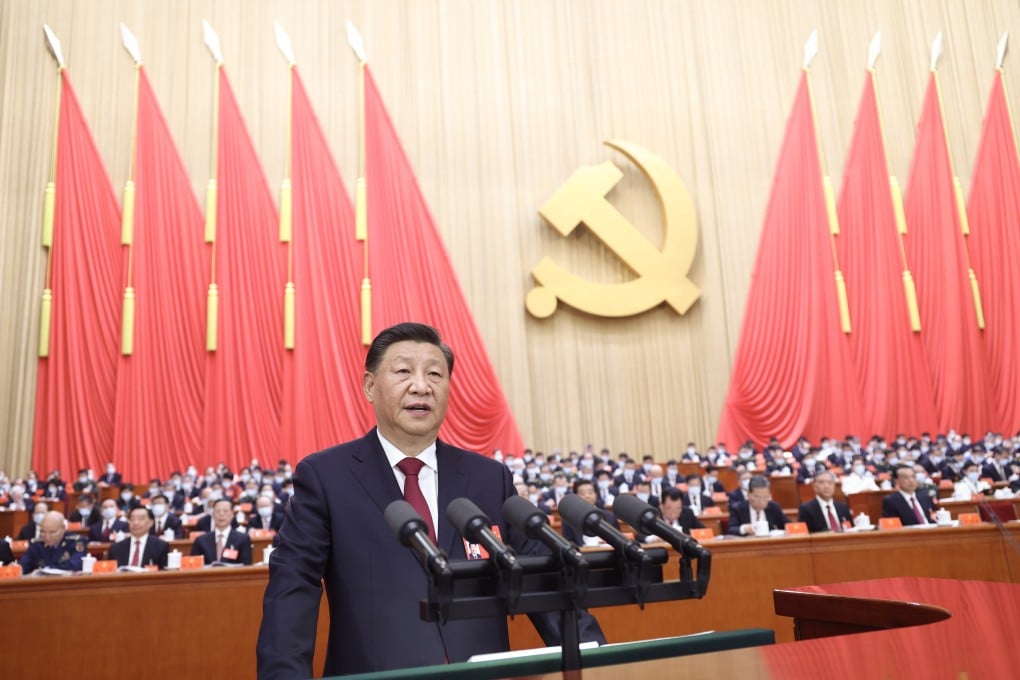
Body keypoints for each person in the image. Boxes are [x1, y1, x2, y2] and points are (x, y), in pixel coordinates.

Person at [257, 322, 604, 678]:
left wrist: (599, 661)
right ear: (370, 387)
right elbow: (292, 591)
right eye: (404, 371)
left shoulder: (488, 478)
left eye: (435, 374)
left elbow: (544, 581)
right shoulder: (326, 477)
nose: (421, 386)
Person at [18, 511, 87, 574]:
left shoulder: (75, 541)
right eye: (43, 532)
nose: (47, 537)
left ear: (63, 529)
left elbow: (75, 565)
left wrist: (46, 570)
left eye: (52, 532)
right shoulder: (36, 544)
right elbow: (23, 566)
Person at [191, 498, 252, 565]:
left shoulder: (243, 539)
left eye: (225, 511)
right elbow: (194, 567)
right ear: (213, 515)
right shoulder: (200, 541)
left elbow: (246, 566)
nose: (221, 514)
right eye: (218, 511)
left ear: (232, 514)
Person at [561, 478, 619, 547]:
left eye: (590, 493)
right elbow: (568, 543)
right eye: (582, 493)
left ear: (596, 494)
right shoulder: (569, 520)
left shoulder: (610, 516)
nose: (587, 496)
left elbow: (618, 541)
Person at [637, 488, 703, 543]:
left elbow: (703, 531)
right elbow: (640, 535)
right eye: (669, 508)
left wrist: (689, 536)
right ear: (661, 505)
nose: (673, 513)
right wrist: (653, 539)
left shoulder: (688, 513)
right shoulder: (652, 516)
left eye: (678, 508)